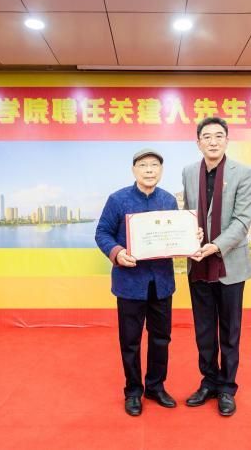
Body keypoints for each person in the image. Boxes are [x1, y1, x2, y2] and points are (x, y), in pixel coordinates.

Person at [95, 148, 179, 417]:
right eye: (143, 165)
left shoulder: (168, 200)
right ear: (134, 170)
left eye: (155, 165)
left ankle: (155, 386)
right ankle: (133, 391)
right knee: (130, 341)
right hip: (130, 283)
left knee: (161, 338)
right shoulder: (117, 199)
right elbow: (102, 232)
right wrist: (117, 252)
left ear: (161, 170)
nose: (149, 170)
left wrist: (189, 238)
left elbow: (176, 235)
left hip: (161, 283)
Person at [182, 117, 251, 416]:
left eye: (218, 136)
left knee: (229, 330)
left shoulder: (244, 173)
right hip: (198, 262)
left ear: (227, 140)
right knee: (203, 329)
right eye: (207, 136)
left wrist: (216, 245)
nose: (213, 141)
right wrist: (190, 234)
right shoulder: (189, 172)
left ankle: (227, 387)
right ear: (198, 142)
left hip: (229, 263)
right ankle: (208, 382)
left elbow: (242, 220)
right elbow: (188, 212)